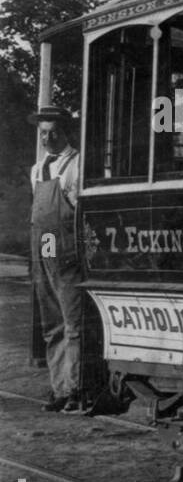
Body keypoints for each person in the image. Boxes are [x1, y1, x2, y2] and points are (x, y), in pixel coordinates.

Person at [28, 107, 86, 413]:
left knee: (72, 323)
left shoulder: (77, 165)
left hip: (66, 252)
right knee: (51, 324)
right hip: (44, 252)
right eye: (43, 134)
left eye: (53, 132)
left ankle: (76, 388)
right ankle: (59, 388)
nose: (48, 138)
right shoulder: (37, 169)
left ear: (65, 133)